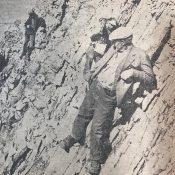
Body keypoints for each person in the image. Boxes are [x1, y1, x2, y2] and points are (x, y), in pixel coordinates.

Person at [60, 27, 156, 175]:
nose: (113, 45)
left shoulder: (139, 55)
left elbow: (150, 78)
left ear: (125, 41)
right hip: (96, 87)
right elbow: (102, 63)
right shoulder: (114, 49)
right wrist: (91, 69)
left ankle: (95, 160)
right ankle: (75, 136)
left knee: (98, 128)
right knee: (83, 114)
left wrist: (133, 73)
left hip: (109, 95)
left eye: (116, 42)